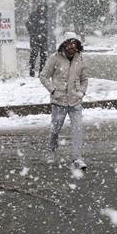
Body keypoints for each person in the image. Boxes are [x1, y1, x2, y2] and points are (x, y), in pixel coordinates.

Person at [40, 35, 88, 170]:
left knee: (78, 129)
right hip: (59, 101)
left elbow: (84, 79)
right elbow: (43, 76)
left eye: (74, 45)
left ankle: (77, 159)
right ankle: (51, 150)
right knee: (55, 129)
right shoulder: (55, 58)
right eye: (68, 45)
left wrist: (82, 92)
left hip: (75, 101)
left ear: (77, 46)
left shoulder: (81, 59)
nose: (71, 48)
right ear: (63, 45)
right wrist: (53, 90)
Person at [26, 4, 48, 77]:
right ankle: (32, 72)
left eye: (44, 7)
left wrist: (44, 33)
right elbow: (28, 24)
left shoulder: (45, 16)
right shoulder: (33, 15)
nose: (42, 9)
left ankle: (41, 72)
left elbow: (48, 27)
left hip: (43, 39)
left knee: (43, 56)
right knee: (33, 55)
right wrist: (33, 33)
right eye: (41, 7)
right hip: (35, 38)